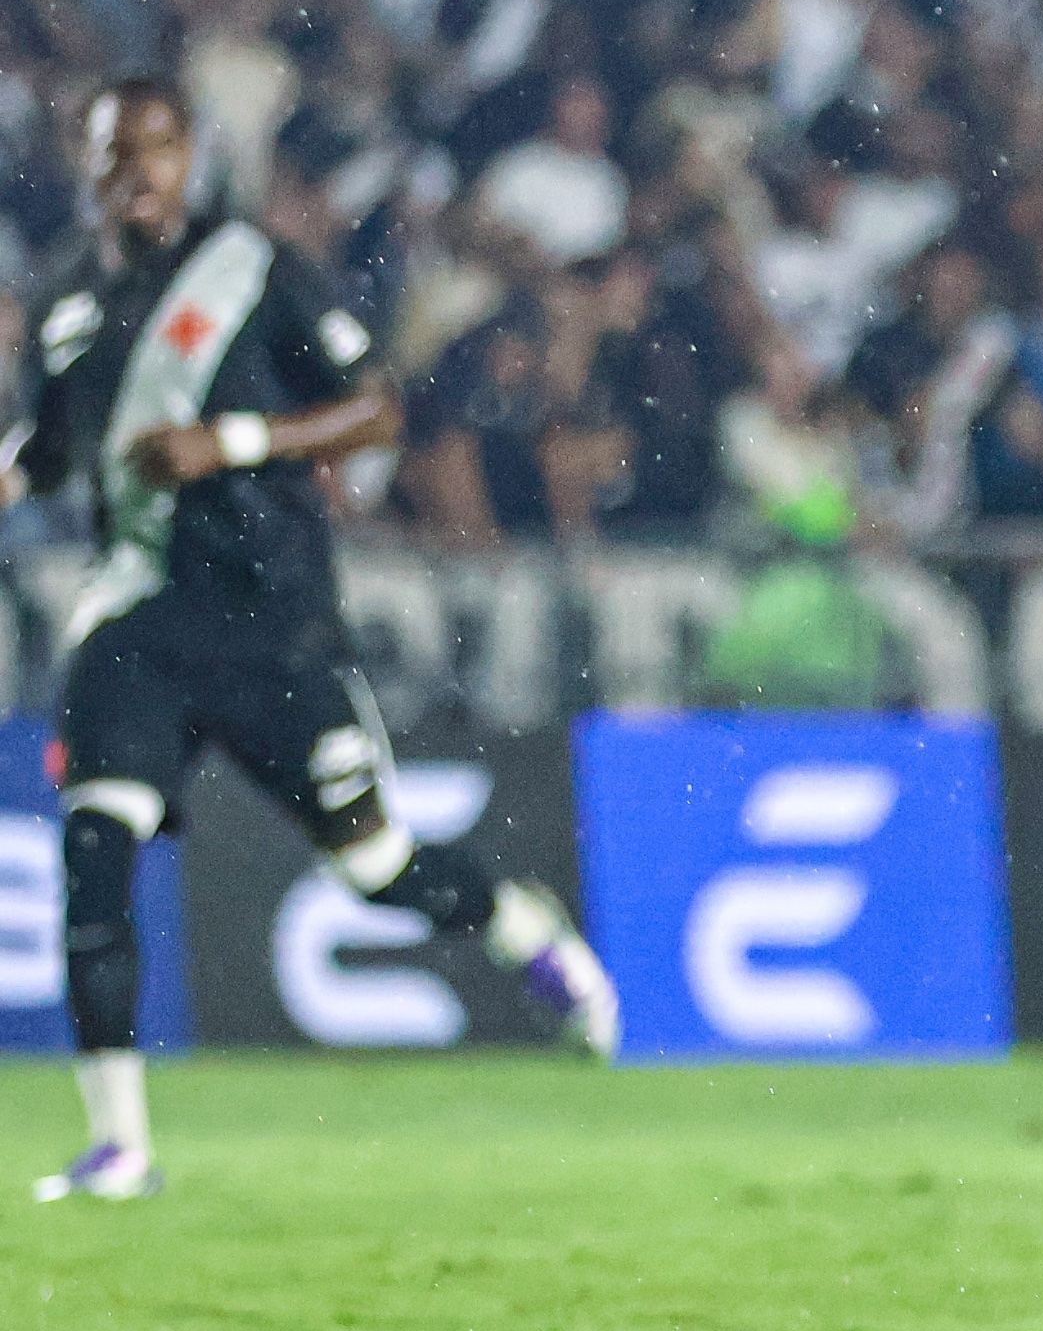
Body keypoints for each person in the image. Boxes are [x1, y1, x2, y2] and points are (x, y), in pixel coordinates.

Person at [9, 81, 617, 1202]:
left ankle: (520, 923)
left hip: (272, 622)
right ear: (86, 166)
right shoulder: (65, 302)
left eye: (157, 148)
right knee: (94, 855)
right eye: (115, 154)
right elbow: (49, 453)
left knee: (377, 866)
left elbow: (377, 408)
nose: (138, 172)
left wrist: (232, 438)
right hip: (136, 618)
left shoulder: (252, 267)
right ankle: (118, 1145)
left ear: (189, 155)